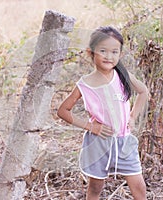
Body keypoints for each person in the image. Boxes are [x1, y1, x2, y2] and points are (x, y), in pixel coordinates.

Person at [57, 26, 148, 200]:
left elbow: (143, 92)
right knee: (96, 187)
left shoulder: (122, 75)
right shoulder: (85, 84)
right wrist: (90, 126)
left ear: (120, 54)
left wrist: (133, 117)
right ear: (91, 53)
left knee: (139, 186)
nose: (109, 56)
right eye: (103, 51)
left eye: (114, 51)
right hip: (98, 143)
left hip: (124, 141)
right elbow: (63, 111)